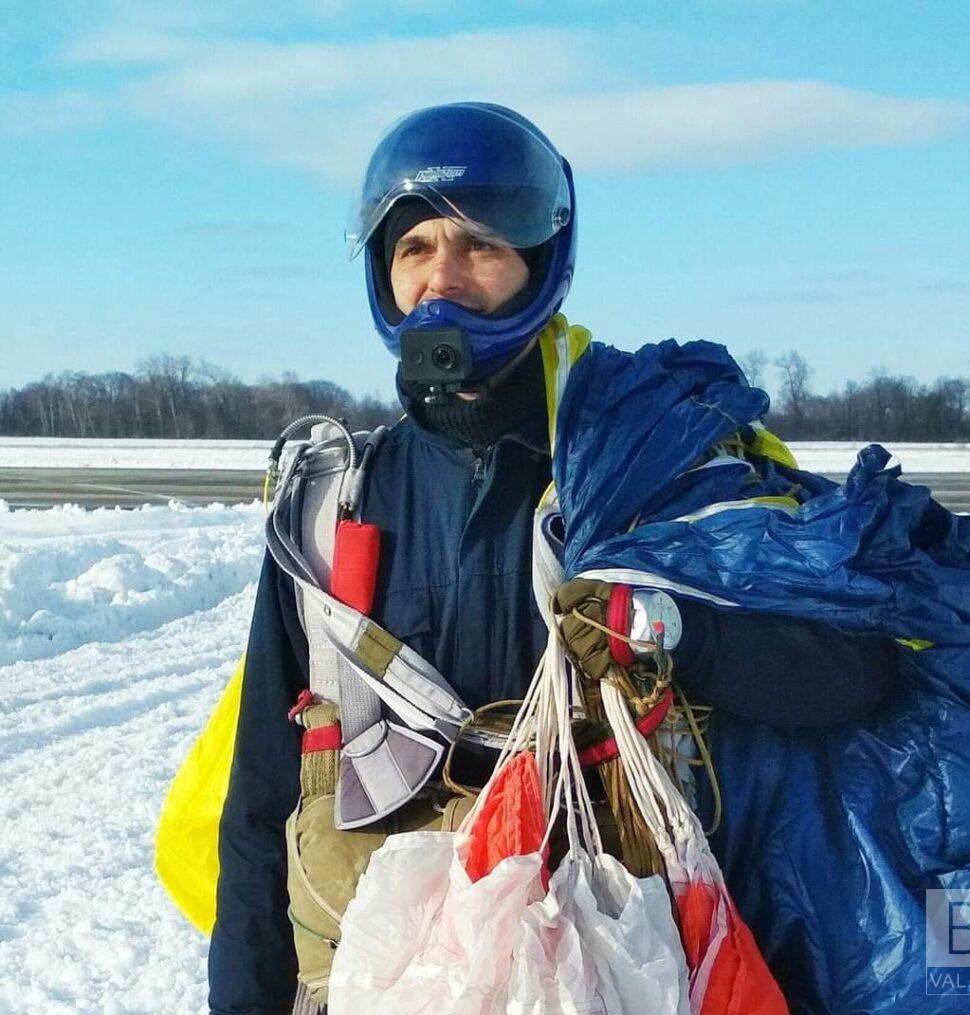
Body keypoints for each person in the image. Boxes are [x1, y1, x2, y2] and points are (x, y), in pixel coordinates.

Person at [207, 102, 899, 1015]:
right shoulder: (330, 509)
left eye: (480, 245)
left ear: (541, 266)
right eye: (414, 248)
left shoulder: (653, 476)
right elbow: (260, 806)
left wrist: (680, 632)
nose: (442, 279)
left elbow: (858, 669)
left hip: (612, 977)